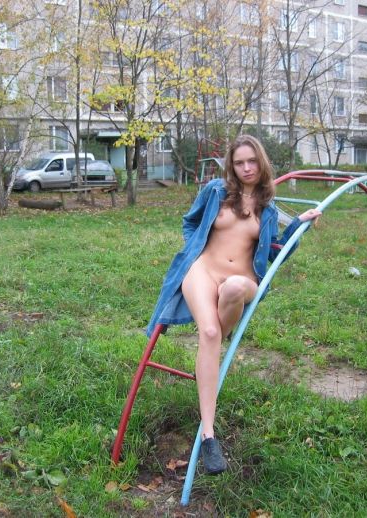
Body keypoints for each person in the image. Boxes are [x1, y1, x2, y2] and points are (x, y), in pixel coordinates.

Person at [146, 134, 321, 474]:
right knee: (210, 333)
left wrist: (299, 226)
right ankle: (209, 437)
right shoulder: (215, 191)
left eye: (251, 161)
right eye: (239, 163)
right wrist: (193, 246)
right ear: (232, 165)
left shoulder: (268, 208)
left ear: (261, 162)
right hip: (202, 270)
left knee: (234, 289)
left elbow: (276, 253)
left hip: (242, 280)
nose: (246, 168)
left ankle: (211, 351)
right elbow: (190, 221)